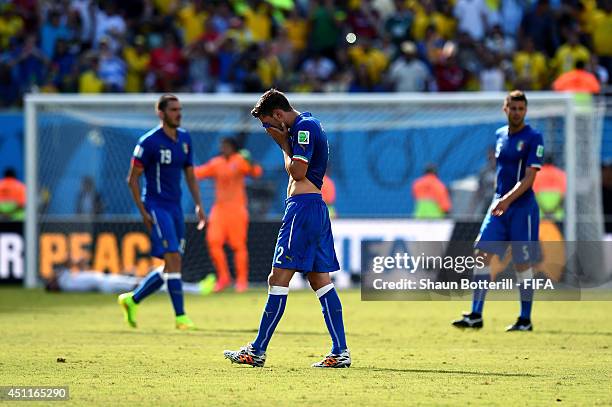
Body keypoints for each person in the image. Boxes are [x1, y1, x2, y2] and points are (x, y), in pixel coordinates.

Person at [223, 89, 350, 368]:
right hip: (314, 207)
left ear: (279, 115)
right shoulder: (308, 125)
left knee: (277, 278)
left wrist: (282, 143)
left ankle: (257, 350)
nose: (267, 128)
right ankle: (340, 350)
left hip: (302, 209)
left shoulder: (303, 127)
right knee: (320, 280)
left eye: (267, 122)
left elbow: (297, 172)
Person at [452, 90, 544, 332]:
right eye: (512, 108)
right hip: (499, 205)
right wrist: (497, 197)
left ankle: (525, 318)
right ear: (505, 109)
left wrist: (506, 199)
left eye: (521, 109)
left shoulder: (534, 137)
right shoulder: (500, 135)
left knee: (522, 263)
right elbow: (501, 172)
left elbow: (529, 178)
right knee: (481, 252)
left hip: (522, 208)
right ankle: (475, 314)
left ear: (525, 111)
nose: (516, 113)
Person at [118, 94, 206, 330]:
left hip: (176, 207)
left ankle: (132, 300)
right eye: (174, 109)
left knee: (170, 265)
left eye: (180, 109)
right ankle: (181, 317)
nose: (179, 113)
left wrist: (198, 204)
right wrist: (143, 211)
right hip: (156, 207)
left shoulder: (185, 139)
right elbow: (132, 180)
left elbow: (190, 174)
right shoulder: (148, 143)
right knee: (174, 258)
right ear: (161, 113)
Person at [194, 137, 263, 293]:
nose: (223, 148)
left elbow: (256, 173)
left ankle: (241, 281)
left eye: (226, 145)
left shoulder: (239, 160)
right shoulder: (216, 162)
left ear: (233, 147)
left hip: (237, 209)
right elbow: (198, 173)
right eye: (222, 145)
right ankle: (224, 277)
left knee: (238, 245)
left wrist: (250, 161)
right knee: (213, 241)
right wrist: (183, 166)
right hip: (219, 209)